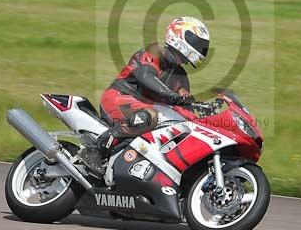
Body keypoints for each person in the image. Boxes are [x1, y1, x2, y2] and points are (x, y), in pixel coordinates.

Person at [80, 16, 210, 174]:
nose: (200, 48)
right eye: (197, 43)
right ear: (180, 35)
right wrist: (172, 96)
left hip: (142, 110)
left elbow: (185, 103)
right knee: (150, 116)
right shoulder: (154, 52)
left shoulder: (180, 76)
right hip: (119, 98)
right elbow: (146, 76)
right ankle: (95, 150)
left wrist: (202, 111)